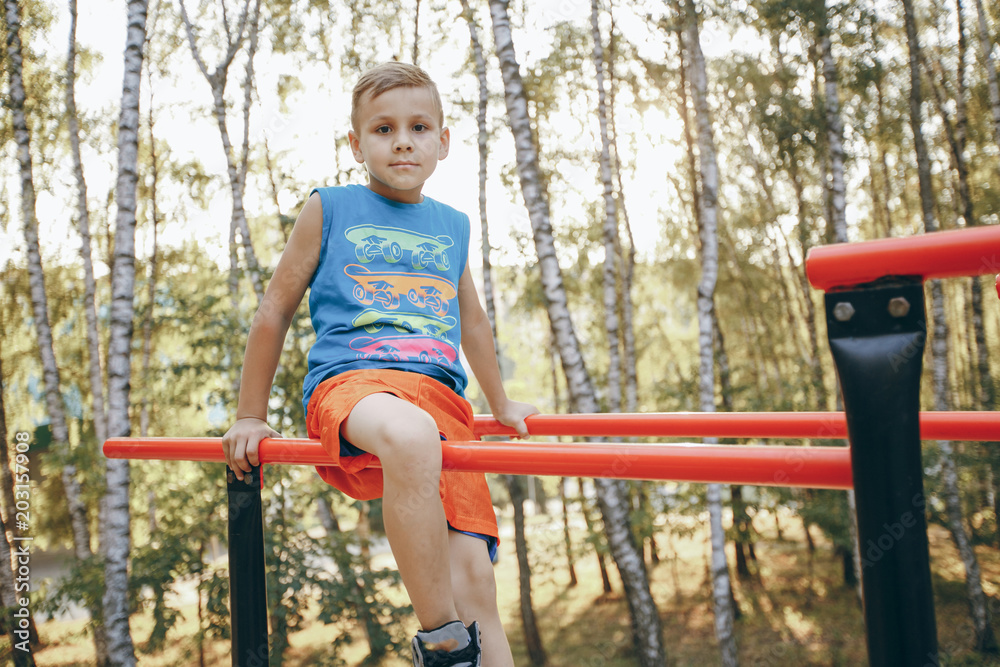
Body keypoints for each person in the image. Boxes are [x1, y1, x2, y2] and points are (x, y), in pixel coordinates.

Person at [222, 62, 536, 667]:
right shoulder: (331, 207)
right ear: (356, 143)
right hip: (354, 384)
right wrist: (249, 415)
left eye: (419, 127)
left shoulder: (452, 226)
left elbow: (471, 321)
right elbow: (274, 309)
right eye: (383, 128)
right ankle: (442, 644)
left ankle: (472, 641)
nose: (402, 141)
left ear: (443, 142)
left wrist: (500, 404)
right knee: (408, 433)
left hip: (440, 396)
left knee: (475, 576)